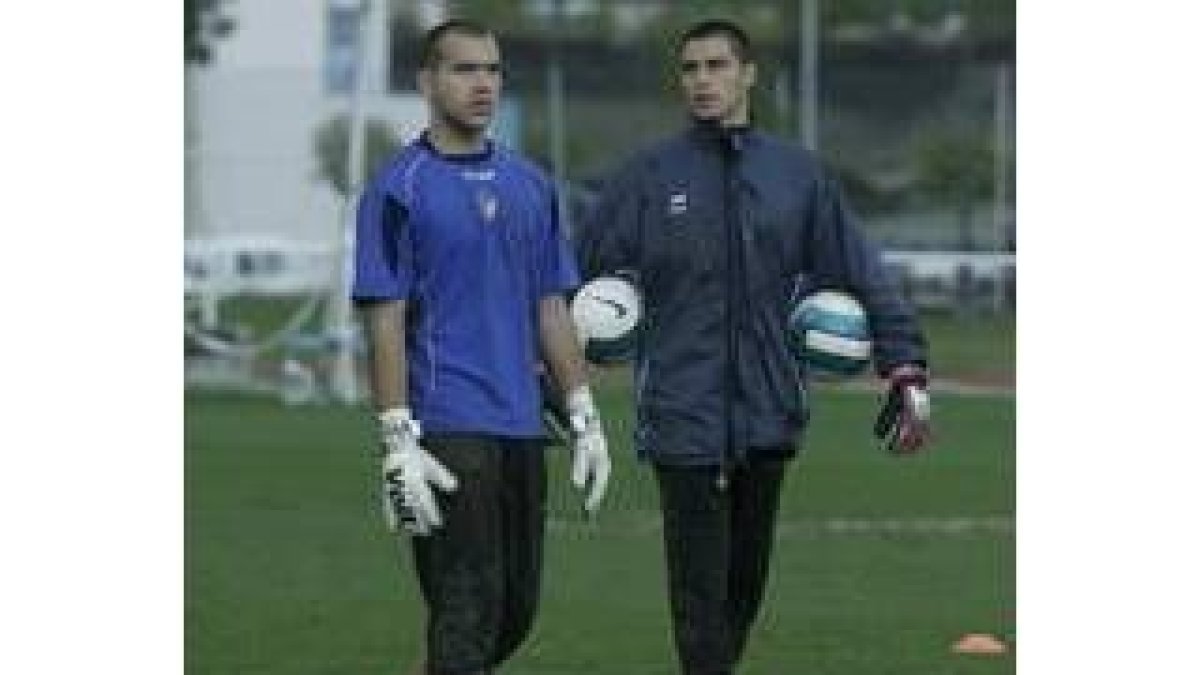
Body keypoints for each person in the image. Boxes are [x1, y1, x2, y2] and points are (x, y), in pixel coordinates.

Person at [577, 19, 931, 675]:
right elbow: (575, 274)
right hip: (682, 416)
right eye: (690, 68)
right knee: (699, 603)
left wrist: (904, 363)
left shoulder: (798, 177)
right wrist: (582, 331)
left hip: (770, 414)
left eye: (716, 65)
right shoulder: (647, 177)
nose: (702, 80)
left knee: (742, 595)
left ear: (749, 75)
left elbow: (861, 270)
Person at [351, 20, 611, 675]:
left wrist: (583, 412)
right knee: (466, 610)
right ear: (427, 82)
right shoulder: (397, 188)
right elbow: (385, 317)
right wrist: (396, 439)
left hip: (522, 426)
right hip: (445, 427)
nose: (482, 84)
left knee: (514, 612)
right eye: (464, 70)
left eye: (492, 70)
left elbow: (550, 304)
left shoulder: (531, 184)